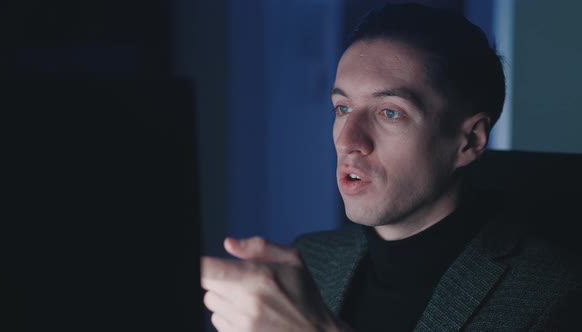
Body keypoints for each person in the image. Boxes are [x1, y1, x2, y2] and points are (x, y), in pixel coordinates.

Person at [201, 4, 580, 331]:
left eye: (389, 112)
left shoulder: (554, 296)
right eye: (342, 108)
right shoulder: (308, 260)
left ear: (470, 141)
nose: (349, 140)